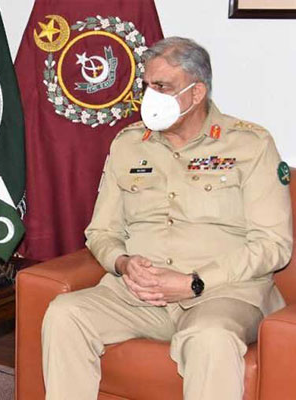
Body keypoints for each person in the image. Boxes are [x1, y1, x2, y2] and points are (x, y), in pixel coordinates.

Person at [41, 37, 292, 400]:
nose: (150, 96)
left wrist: (195, 282)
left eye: (162, 87)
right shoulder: (129, 144)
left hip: (222, 294)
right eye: (147, 86)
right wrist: (123, 263)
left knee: (209, 337)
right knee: (65, 314)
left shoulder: (249, 145)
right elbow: (101, 231)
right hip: (140, 294)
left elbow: (273, 245)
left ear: (196, 92)